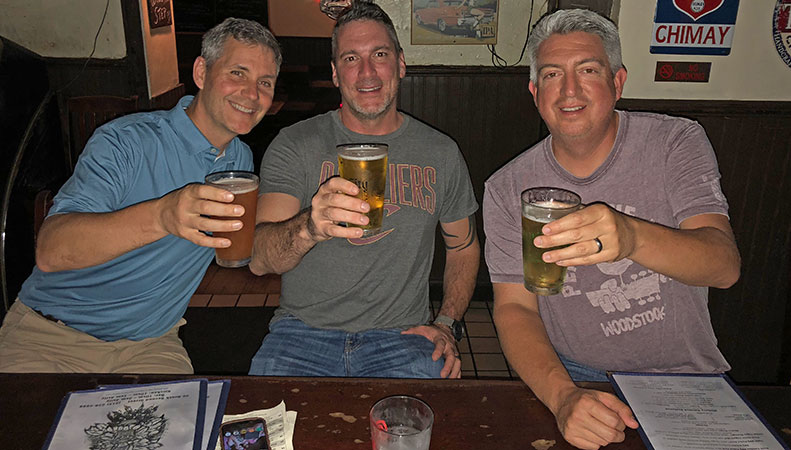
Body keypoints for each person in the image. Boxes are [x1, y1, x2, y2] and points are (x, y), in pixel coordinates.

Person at [482, 9, 741, 450]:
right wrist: (563, 396)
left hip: (685, 378)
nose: (569, 90)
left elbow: (723, 265)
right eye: (551, 75)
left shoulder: (675, 143)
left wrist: (632, 236)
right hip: (575, 375)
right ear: (534, 92)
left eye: (588, 70)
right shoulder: (507, 187)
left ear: (617, 83)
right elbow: (514, 310)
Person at [0, 18, 282, 374]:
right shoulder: (126, 143)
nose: (252, 93)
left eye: (265, 82)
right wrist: (163, 216)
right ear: (201, 72)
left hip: (151, 344)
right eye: (238, 73)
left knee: (189, 428)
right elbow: (52, 250)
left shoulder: (239, 161)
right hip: (50, 338)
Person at [247, 2, 479, 379]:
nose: (367, 71)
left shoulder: (440, 152)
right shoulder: (296, 144)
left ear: (401, 64)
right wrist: (309, 227)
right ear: (336, 74)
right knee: (267, 434)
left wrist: (447, 323)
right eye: (352, 58)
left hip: (402, 336)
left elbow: (463, 246)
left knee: (421, 434)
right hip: (302, 333)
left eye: (380, 55)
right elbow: (258, 258)